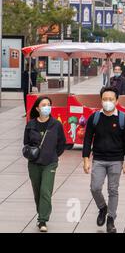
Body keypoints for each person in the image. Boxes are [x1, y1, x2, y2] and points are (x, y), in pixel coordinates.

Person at [82, 86, 125, 233]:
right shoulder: (95, 117)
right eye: (105, 99)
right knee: (95, 187)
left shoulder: (123, 119)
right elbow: (87, 139)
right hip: (98, 159)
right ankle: (102, 208)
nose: (107, 102)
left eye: (111, 99)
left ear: (117, 100)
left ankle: (111, 219)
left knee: (113, 190)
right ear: (101, 100)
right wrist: (86, 159)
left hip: (116, 160)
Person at [24, 96, 66, 232]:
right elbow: (26, 143)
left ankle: (43, 220)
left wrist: (53, 156)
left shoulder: (56, 124)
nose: (47, 107)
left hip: (50, 163)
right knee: (37, 192)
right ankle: (41, 214)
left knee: (45, 191)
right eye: (43, 105)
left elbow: (62, 143)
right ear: (37, 108)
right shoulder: (30, 124)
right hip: (34, 163)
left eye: (49, 104)